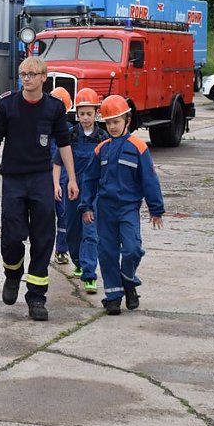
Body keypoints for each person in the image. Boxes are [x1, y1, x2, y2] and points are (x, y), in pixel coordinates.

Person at [0, 56, 78, 322]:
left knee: (43, 237)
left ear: (44, 78)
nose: (26, 78)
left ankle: (36, 297)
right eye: (23, 73)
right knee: (12, 236)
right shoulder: (7, 104)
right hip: (13, 179)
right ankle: (12, 274)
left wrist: (71, 178)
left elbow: (65, 143)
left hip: (41, 179)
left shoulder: (54, 108)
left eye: (32, 74)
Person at [80, 95, 164, 316]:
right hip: (104, 210)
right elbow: (89, 179)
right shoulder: (101, 149)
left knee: (132, 249)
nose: (112, 127)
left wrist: (156, 209)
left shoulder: (138, 147)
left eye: (116, 121)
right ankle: (114, 296)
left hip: (128, 209)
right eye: (108, 123)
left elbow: (150, 180)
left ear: (127, 120)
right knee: (106, 252)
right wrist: (86, 206)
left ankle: (128, 281)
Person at [53, 88, 110, 294]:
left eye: (89, 113)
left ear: (96, 113)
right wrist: (56, 184)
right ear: (77, 114)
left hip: (92, 193)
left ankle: (89, 274)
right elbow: (58, 161)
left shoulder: (103, 137)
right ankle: (77, 261)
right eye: (82, 114)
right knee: (73, 231)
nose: (86, 118)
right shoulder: (70, 135)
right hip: (72, 189)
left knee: (90, 232)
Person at [49, 87, 72, 266]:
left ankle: (61, 250)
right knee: (45, 218)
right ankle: (45, 249)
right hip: (43, 179)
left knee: (63, 216)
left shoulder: (70, 132)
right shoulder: (41, 128)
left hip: (63, 180)